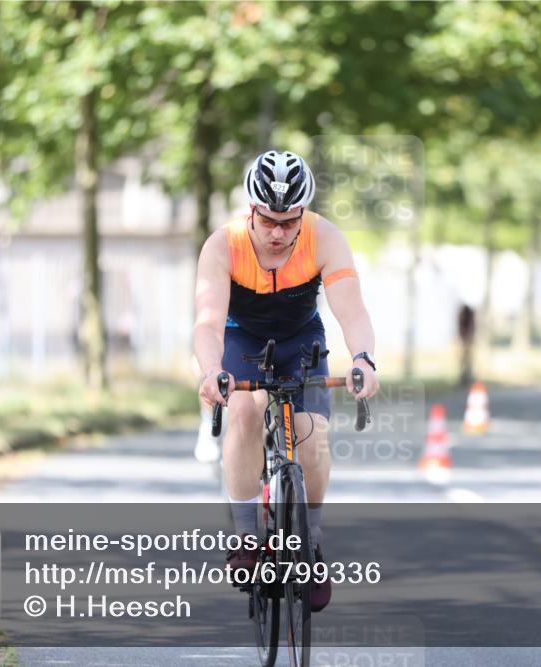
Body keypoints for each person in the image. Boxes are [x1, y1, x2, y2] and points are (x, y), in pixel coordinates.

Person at [193, 150, 380, 612]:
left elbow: (351, 310)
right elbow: (208, 322)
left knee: (312, 438)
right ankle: (246, 538)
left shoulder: (324, 238)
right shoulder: (222, 244)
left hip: (301, 339)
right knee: (244, 411)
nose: (278, 233)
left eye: (289, 222)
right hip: (242, 337)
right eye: (269, 221)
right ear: (252, 211)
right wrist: (210, 369)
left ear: (303, 214)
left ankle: (311, 544)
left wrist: (363, 359)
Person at [457, 303, 476, 386]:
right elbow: (460, 328)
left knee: (468, 360)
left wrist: (469, 338)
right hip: (465, 339)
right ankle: (464, 377)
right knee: (463, 360)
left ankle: (467, 377)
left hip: (468, 339)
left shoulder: (469, 316)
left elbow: (472, 328)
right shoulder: (462, 317)